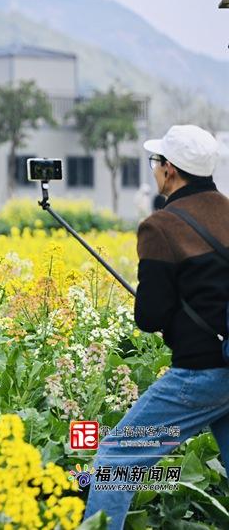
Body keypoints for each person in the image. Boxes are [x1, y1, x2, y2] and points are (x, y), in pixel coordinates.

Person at [83, 125, 226, 529]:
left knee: (117, 457)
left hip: (202, 373)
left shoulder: (161, 226)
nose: (155, 170)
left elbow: (149, 317)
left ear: (170, 171)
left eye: (157, 162)